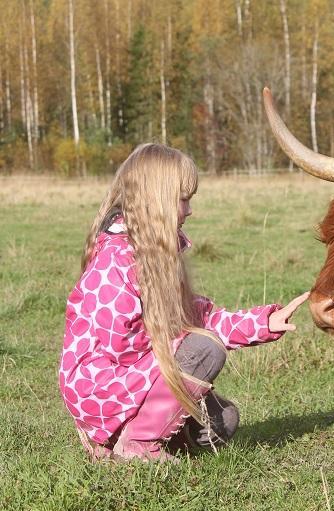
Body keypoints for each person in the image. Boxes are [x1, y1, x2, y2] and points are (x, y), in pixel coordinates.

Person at [58, 143, 309, 462]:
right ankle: (136, 443)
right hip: (100, 390)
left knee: (223, 422)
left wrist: (264, 323)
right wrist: (183, 341)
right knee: (205, 349)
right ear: (156, 200)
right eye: (183, 199)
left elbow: (200, 317)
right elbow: (120, 349)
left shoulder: (156, 257)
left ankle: (143, 436)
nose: (189, 210)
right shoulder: (114, 264)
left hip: (131, 381)